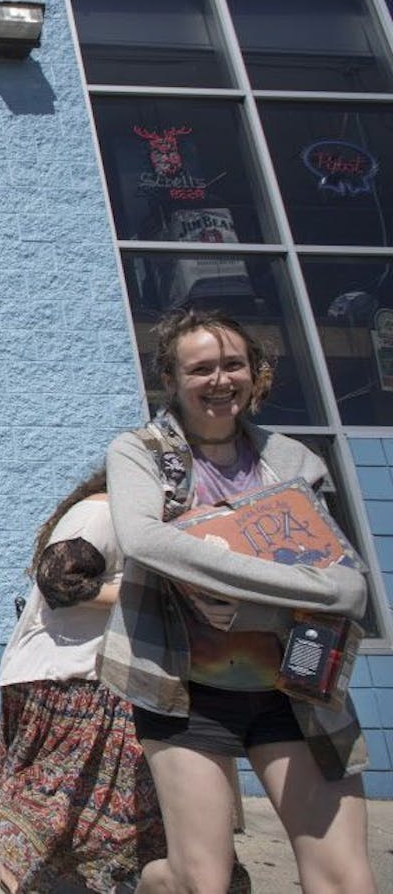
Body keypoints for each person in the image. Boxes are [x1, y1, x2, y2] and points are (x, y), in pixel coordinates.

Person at [99, 308, 375, 894]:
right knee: (201, 881)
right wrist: (295, 583)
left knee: (346, 880)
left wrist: (252, 607)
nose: (220, 380)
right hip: (185, 693)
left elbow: (350, 587)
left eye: (233, 364)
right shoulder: (141, 453)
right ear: (170, 381)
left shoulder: (295, 460)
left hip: (295, 689)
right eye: (200, 369)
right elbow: (146, 540)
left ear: (255, 372)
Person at [0, 467, 167, 893]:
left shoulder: (136, 525)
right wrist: (154, 592)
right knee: (52, 803)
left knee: (83, 812)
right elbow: (58, 579)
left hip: (98, 680)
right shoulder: (101, 513)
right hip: (68, 682)